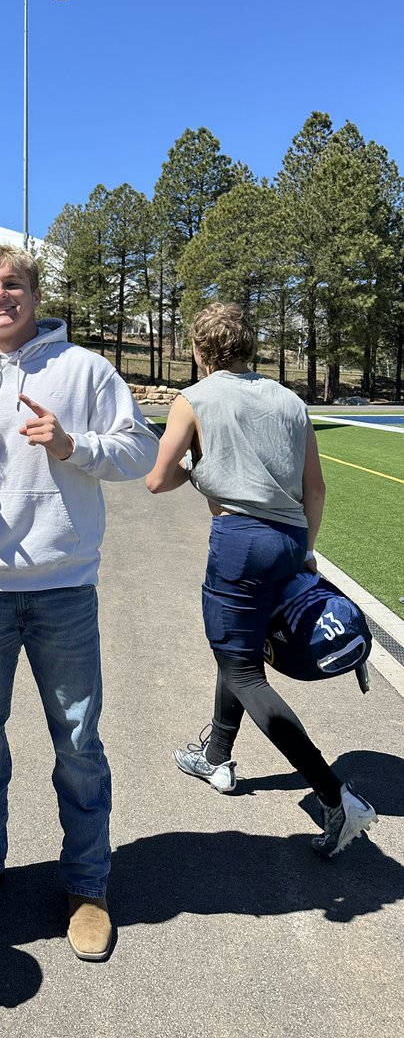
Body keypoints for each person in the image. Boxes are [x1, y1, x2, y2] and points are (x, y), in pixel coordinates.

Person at [0, 244, 158, 962]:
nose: (1, 295)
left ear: (34, 292)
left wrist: (71, 444)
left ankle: (88, 885)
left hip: (63, 589)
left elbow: (141, 452)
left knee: (79, 746)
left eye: (13, 284)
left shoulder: (85, 370)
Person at [145, 301, 377, 857]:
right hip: (290, 538)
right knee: (241, 653)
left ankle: (335, 797)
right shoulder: (289, 399)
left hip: (239, 542)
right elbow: (315, 489)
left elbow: (157, 480)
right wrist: (308, 551)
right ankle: (217, 756)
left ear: (199, 352)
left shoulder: (194, 398)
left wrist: (196, 467)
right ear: (251, 348)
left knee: (243, 670)